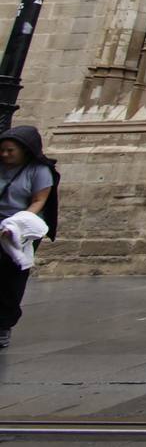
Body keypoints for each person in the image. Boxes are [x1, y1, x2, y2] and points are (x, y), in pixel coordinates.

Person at [0, 125, 59, 349]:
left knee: (10, 276)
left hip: (21, 225)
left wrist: (14, 225)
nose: (5, 155)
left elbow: (38, 201)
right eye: (2, 150)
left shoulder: (39, 170)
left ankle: (4, 324)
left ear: (25, 150)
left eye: (10, 151)